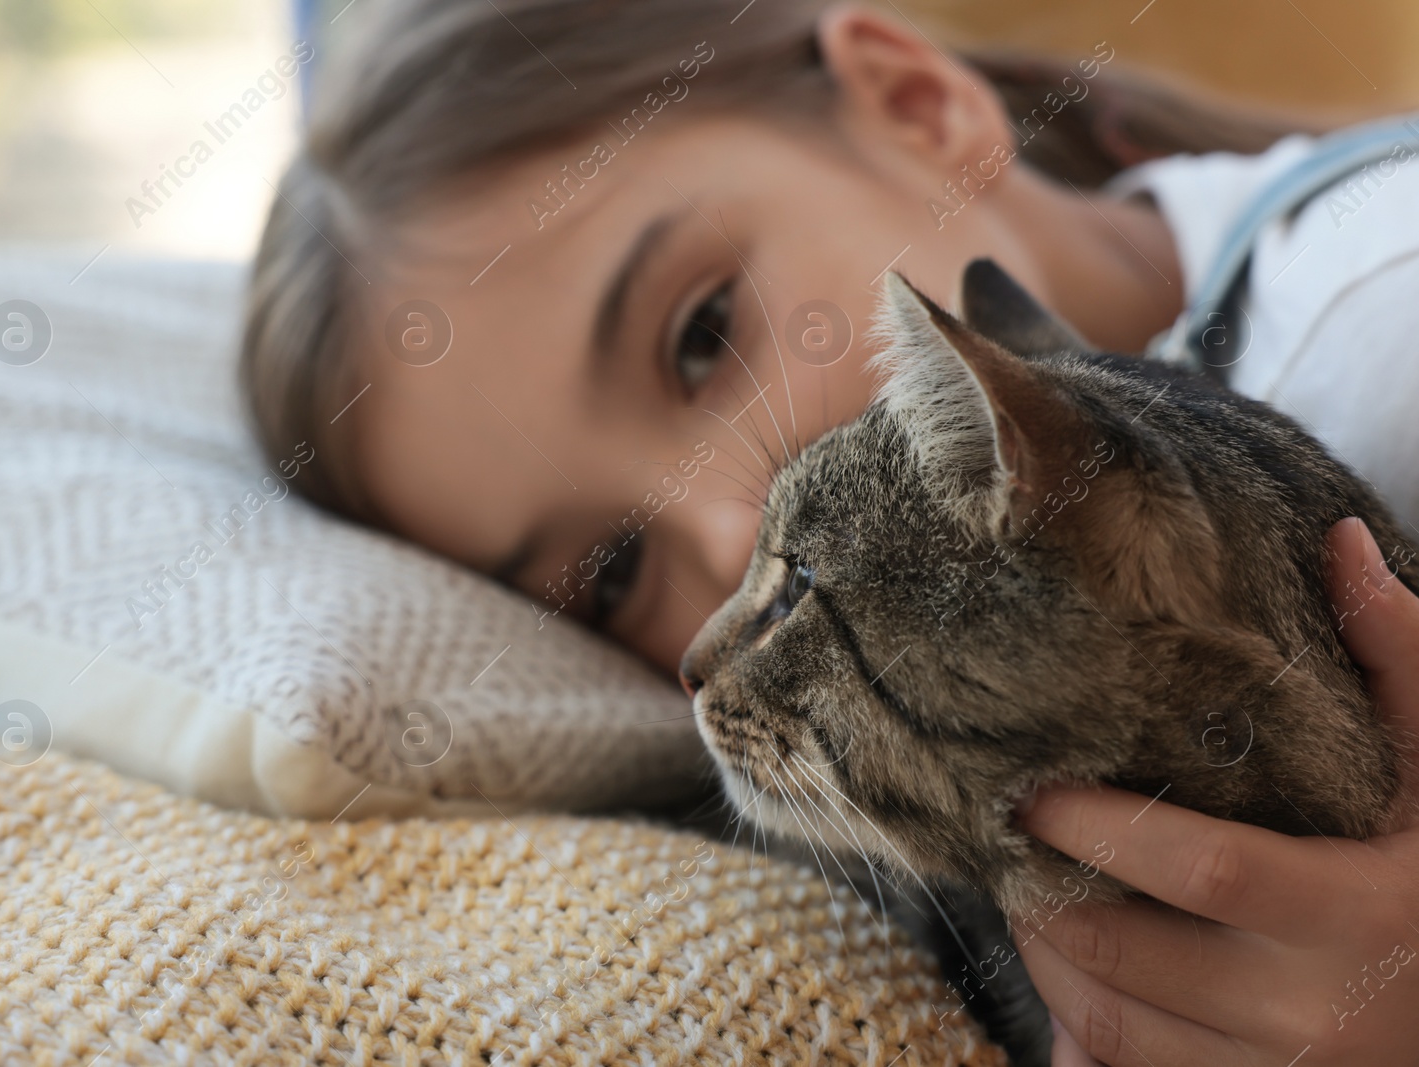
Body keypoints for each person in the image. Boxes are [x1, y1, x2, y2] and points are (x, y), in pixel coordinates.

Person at [240, 1, 1419, 1062]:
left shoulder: (1375, 340)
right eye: (612, 571)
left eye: (702, 333)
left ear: (915, 103)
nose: (725, 532)